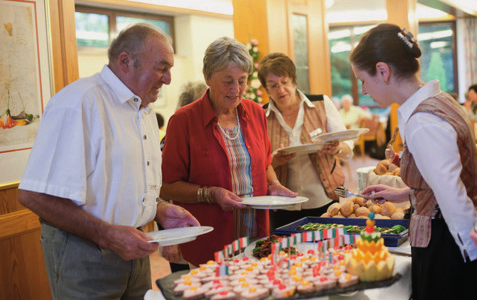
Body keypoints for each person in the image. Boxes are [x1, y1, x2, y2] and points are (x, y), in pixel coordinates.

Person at [17, 23, 200, 299]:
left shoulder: (144, 111)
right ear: (125, 61)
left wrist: (159, 208)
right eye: (161, 68)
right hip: (86, 254)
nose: (168, 79)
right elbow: (34, 195)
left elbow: (118, 182)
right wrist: (107, 235)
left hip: (135, 248)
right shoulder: (79, 102)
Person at [351, 24, 477, 299]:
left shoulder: (423, 121)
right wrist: (405, 193)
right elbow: (442, 181)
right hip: (446, 237)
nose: (363, 90)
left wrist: (473, 257)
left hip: (447, 245)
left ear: (383, 71)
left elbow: (454, 199)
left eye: (363, 79)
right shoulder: (440, 101)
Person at [161, 37, 296, 267]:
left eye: (242, 81)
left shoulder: (255, 113)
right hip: (210, 243)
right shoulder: (183, 121)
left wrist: (273, 185)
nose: (236, 90)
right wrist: (211, 193)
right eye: (227, 81)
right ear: (207, 77)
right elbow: (168, 185)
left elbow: (265, 163)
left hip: (256, 237)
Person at [257, 53, 353, 230]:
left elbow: (348, 145)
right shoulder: (260, 115)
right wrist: (274, 160)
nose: (280, 90)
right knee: (287, 251)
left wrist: (337, 148)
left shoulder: (321, 103)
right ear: (266, 89)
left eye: (284, 82)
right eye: (273, 85)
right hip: (283, 203)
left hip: (323, 197)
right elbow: (256, 162)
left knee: (328, 248)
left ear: (294, 82)